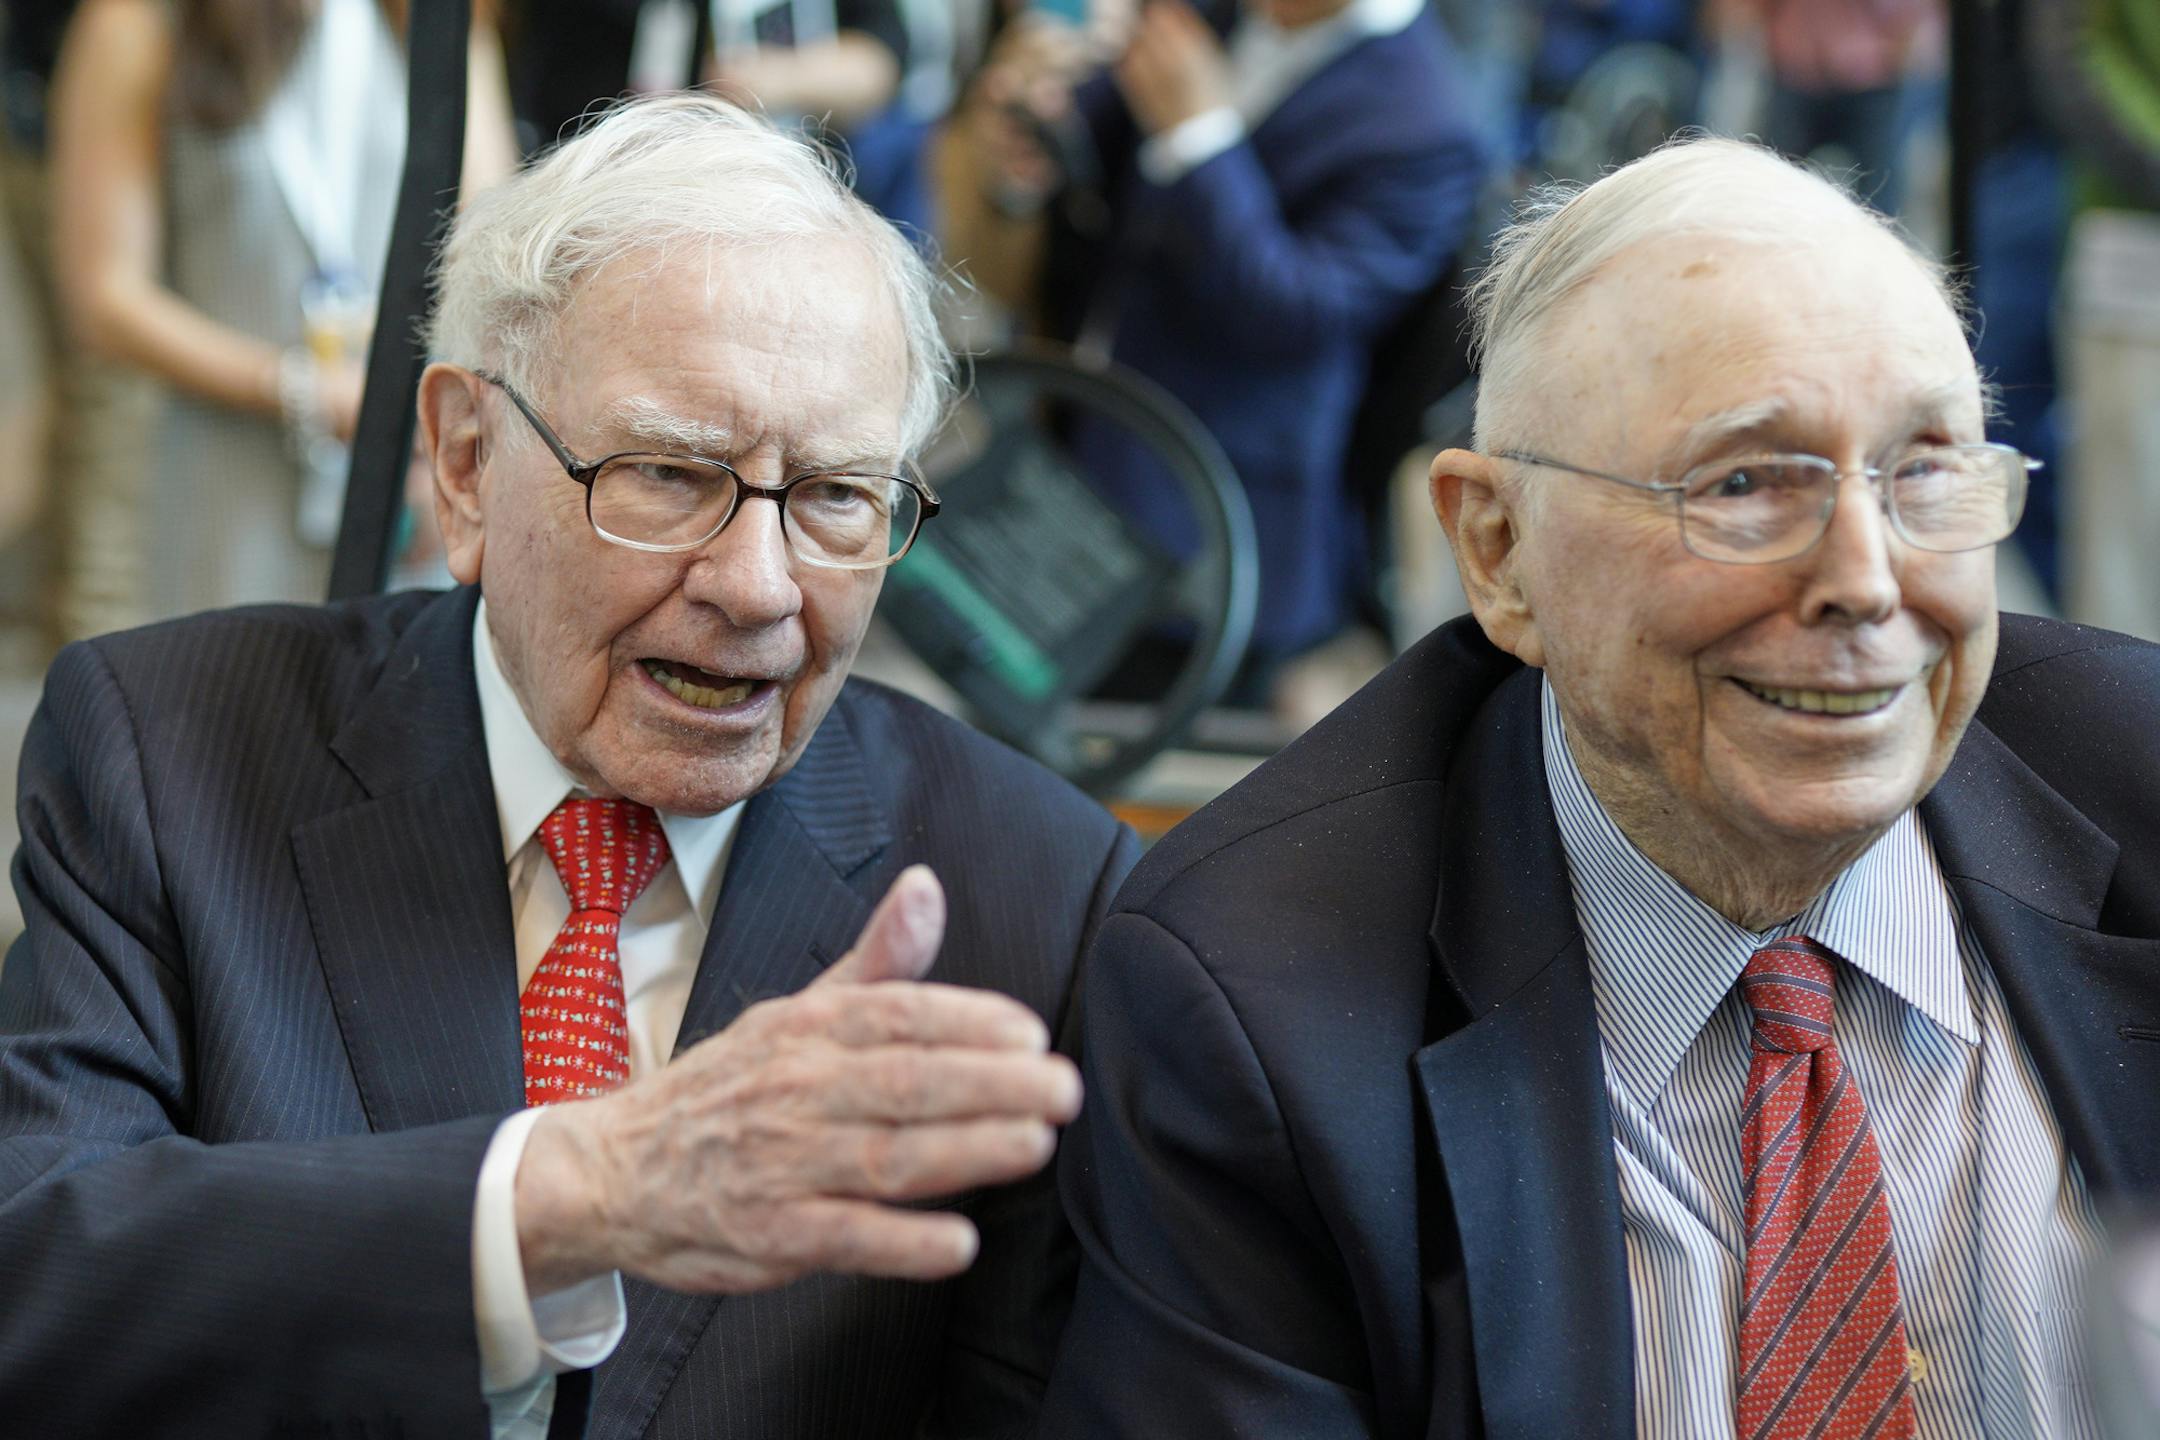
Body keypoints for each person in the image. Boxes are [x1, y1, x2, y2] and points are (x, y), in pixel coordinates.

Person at [1, 94, 1138, 1438]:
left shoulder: (1039, 893)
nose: (759, 587)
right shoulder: (170, 746)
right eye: (667, 474)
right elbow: (39, 1289)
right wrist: (563, 1201)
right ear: (466, 464)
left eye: (837, 496)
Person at [1041, 136, 2160, 1437]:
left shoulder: (2140, 790)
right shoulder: (1257, 999)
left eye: (1922, 471)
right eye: (1746, 484)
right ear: (1499, 551)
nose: (1867, 579)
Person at [947, 0, 1485, 681]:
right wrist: (1036, 119)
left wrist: (1200, 140)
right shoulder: (1215, 14)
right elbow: (1100, 150)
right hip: (1074, 450)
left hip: (1215, 524)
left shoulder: (1426, 123)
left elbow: (1296, 318)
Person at [47, 0, 518, 620]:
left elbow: (490, 245)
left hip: (411, 459)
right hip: (228, 466)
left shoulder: (435, 20)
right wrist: (303, 388)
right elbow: (104, 297)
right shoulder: (139, 23)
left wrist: (436, 425)